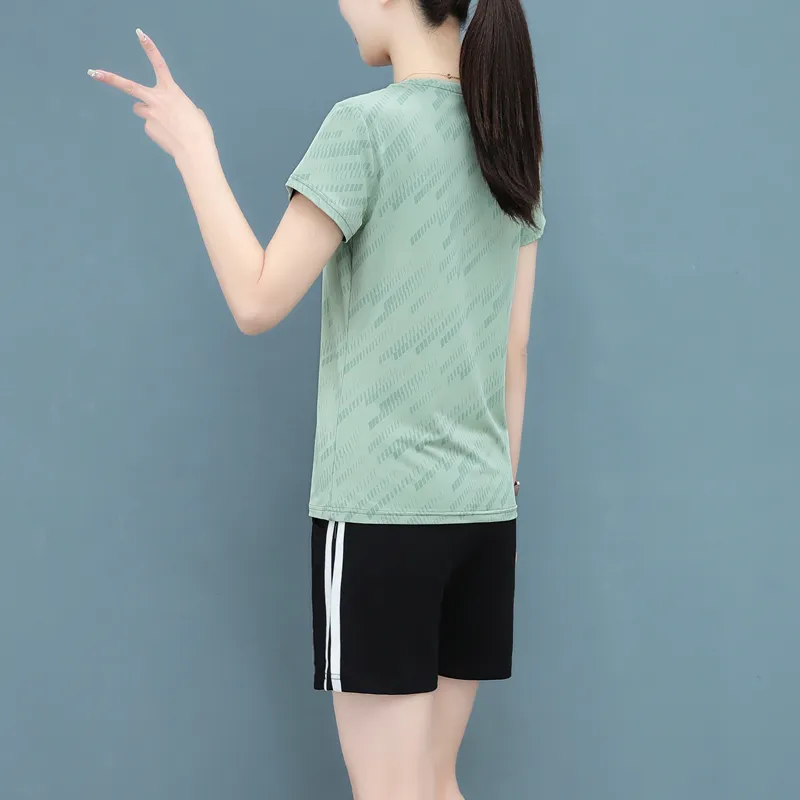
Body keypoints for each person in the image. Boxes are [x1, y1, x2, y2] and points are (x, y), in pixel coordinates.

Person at [89, 0, 544, 795]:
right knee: (436, 781)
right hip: (482, 514)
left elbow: (256, 300)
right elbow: (516, 350)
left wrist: (195, 148)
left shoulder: (365, 128)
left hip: (381, 517)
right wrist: (495, 494)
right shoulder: (506, 139)